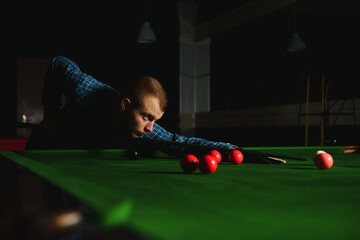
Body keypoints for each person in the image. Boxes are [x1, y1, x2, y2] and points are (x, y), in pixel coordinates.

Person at [26, 56, 284, 163]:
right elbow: (59, 63)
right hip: (47, 143)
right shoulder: (89, 91)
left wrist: (235, 151)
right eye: (146, 117)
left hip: (78, 157)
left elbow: (180, 141)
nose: (150, 127)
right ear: (126, 105)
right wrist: (51, 114)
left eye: (154, 120)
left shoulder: (145, 128)